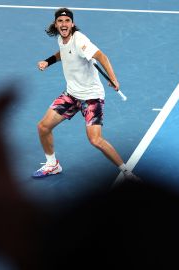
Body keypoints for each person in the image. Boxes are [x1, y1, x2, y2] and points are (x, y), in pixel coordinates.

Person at [33, 8, 137, 180]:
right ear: (56, 24)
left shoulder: (80, 40)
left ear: (72, 24)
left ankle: (127, 172)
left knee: (95, 140)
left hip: (91, 97)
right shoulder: (61, 38)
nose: (64, 24)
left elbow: (102, 56)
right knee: (43, 127)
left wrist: (113, 79)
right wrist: (48, 61)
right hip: (72, 94)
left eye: (67, 21)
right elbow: (63, 53)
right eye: (60, 21)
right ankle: (52, 164)